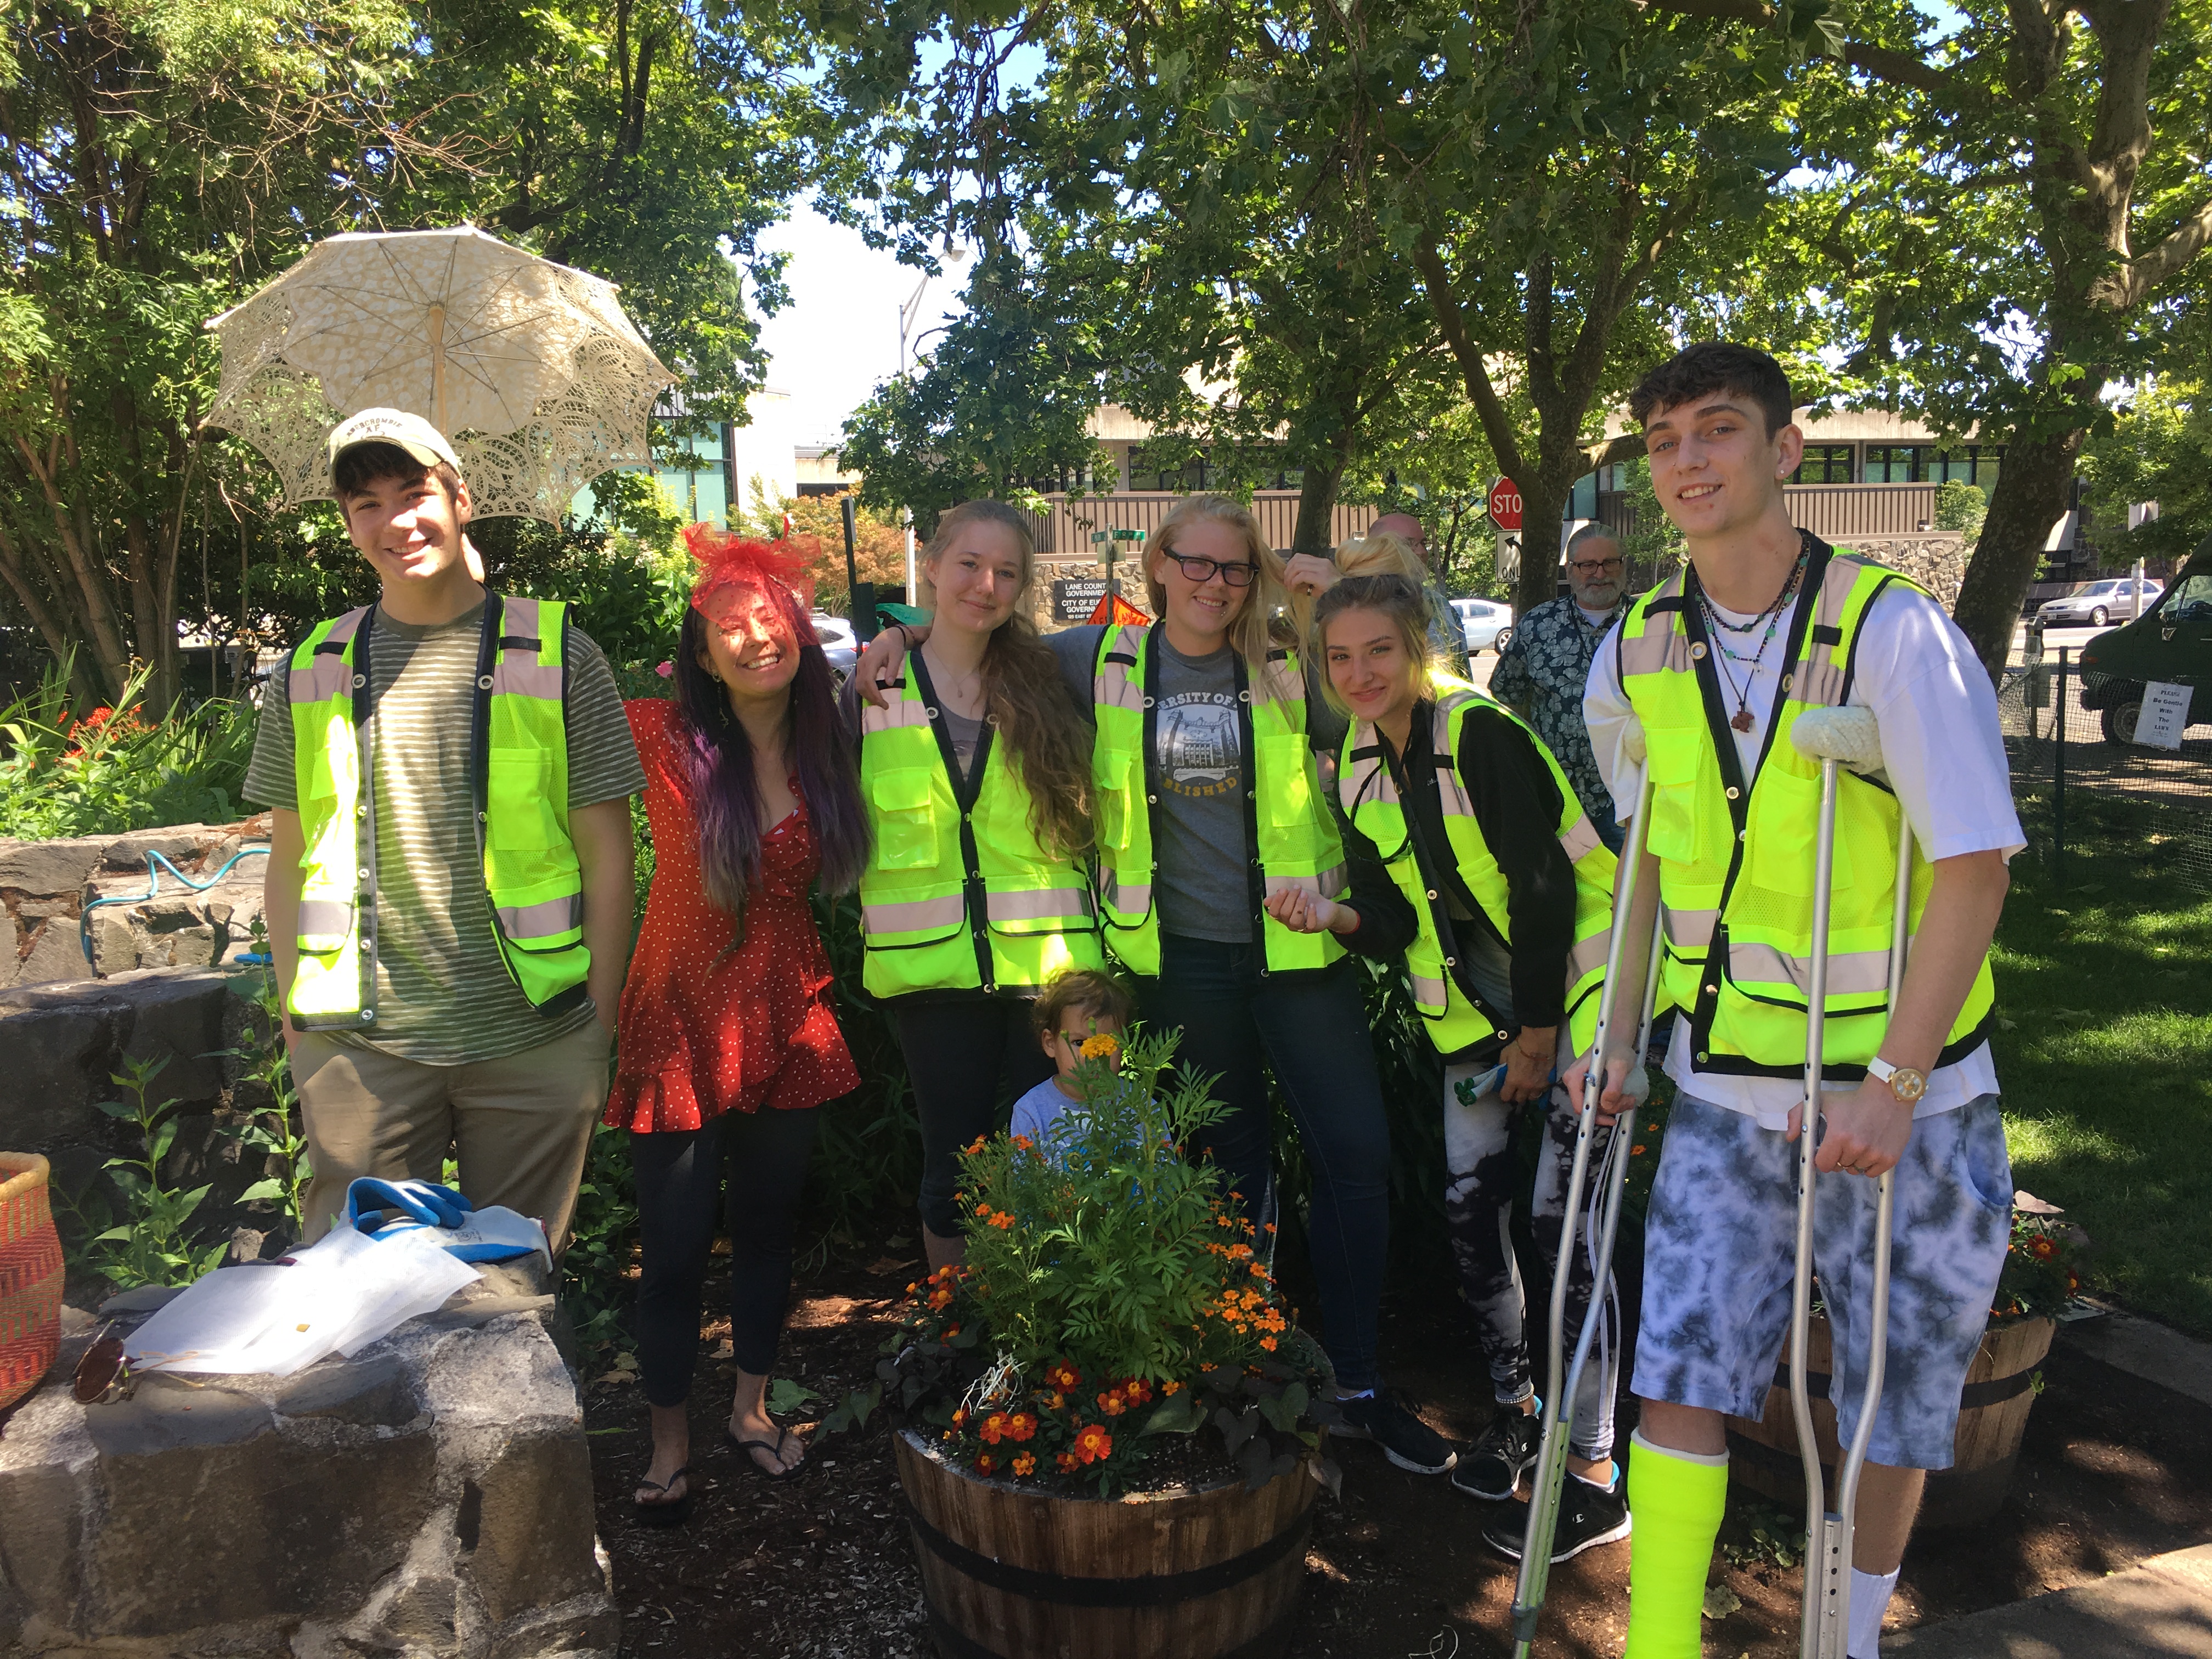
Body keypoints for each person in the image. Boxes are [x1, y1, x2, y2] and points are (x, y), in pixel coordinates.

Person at [857, 494, 1454, 1475]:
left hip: (1298, 960)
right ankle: (1241, 1372)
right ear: (1161, 566)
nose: (1213, 583)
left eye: (1234, 567)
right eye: (1196, 562)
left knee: (1352, 1157)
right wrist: (909, 628)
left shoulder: (1291, 661)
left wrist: (1344, 600)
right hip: (1183, 968)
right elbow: (978, 630)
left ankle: (1354, 1382)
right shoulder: (1095, 659)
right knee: (1228, 1169)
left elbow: (1402, 687)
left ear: (1253, 574)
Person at [1576, 343, 2018, 1659]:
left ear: (1786, 450)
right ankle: (1662, 1641)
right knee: (1683, 1374)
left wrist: (1893, 1085)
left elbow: (1974, 869)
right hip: (1724, 1083)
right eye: (1664, 441)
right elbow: (1650, 859)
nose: (1690, 460)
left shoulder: (1894, 633)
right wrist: (1617, 1033)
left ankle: (1852, 1639)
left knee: (1894, 1401)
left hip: (1910, 1100)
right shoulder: (1635, 650)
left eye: (1719, 430)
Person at [249, 409, 640, 1252]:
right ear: (348, 523)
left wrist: (594, 1030)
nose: (396, 521)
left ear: (461, 497)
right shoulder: (313, 668)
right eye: (366, 503)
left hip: (535, 1040)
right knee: (353, 1304)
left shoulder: (561, 653)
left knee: (512, 1297)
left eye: (415, 491)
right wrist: (295, 1023)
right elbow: (288, 859)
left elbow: (610, 852)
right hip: (361, 1047)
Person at [1304, 573, 1629, 1559]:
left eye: (1379, 651)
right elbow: (1398, 919)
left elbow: (1540, 890)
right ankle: (1517, 1409)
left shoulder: (1476, 731)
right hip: (1474, 1029)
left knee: (1560, 1225)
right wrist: (1336, 917)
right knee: (1468, 1213)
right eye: (1339, 656)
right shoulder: (1355, 769)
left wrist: (1538, 1039)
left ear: (1417, 648)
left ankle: (1595, 1468)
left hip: (1575, 1001)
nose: (1359, 673)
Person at [614, 527, 871, 1519]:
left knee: (768, 1231)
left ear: (800, 634)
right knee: (675, 1245)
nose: (757, 637)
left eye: (773, 619)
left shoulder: (833, 745)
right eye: (732, 625)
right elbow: (520, 724)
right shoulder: (657, 734)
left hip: (787, 1013)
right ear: (703, 648)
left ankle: (751, 1410)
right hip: (676, 1015)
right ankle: (667, 1441)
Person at [851, 500, 1104, 1273]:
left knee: (1064, 1161)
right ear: (929, 563)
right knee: (953, 1170)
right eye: (969, 564)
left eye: (1007, 572)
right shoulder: (867, 688)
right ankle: (958, 1343)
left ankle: (1053, 1342)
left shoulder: (1054, 673)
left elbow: (1176, 638)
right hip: (929, 973)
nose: (986, 584)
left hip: (1051, 974)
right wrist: (897, 634)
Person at [1492, 524, 1634, 851]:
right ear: (1570, 570)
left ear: (1623, 566)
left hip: (1627, 795)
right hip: (1556, 793)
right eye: (1587, 565)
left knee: (1628, 891)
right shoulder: (1539, 624)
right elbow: (1507, 698)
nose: (1599, 574)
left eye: (1609, 563)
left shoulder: (1648, 624)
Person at [1008, 967, 1137, 1152]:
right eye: (1079, 1042)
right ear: (1050, 1043)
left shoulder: (1140, 1105)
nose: (1094, 1054)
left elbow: (1163, 1172)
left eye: (1108, 1043)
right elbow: (1024, 1178)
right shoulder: (1031, 1111)